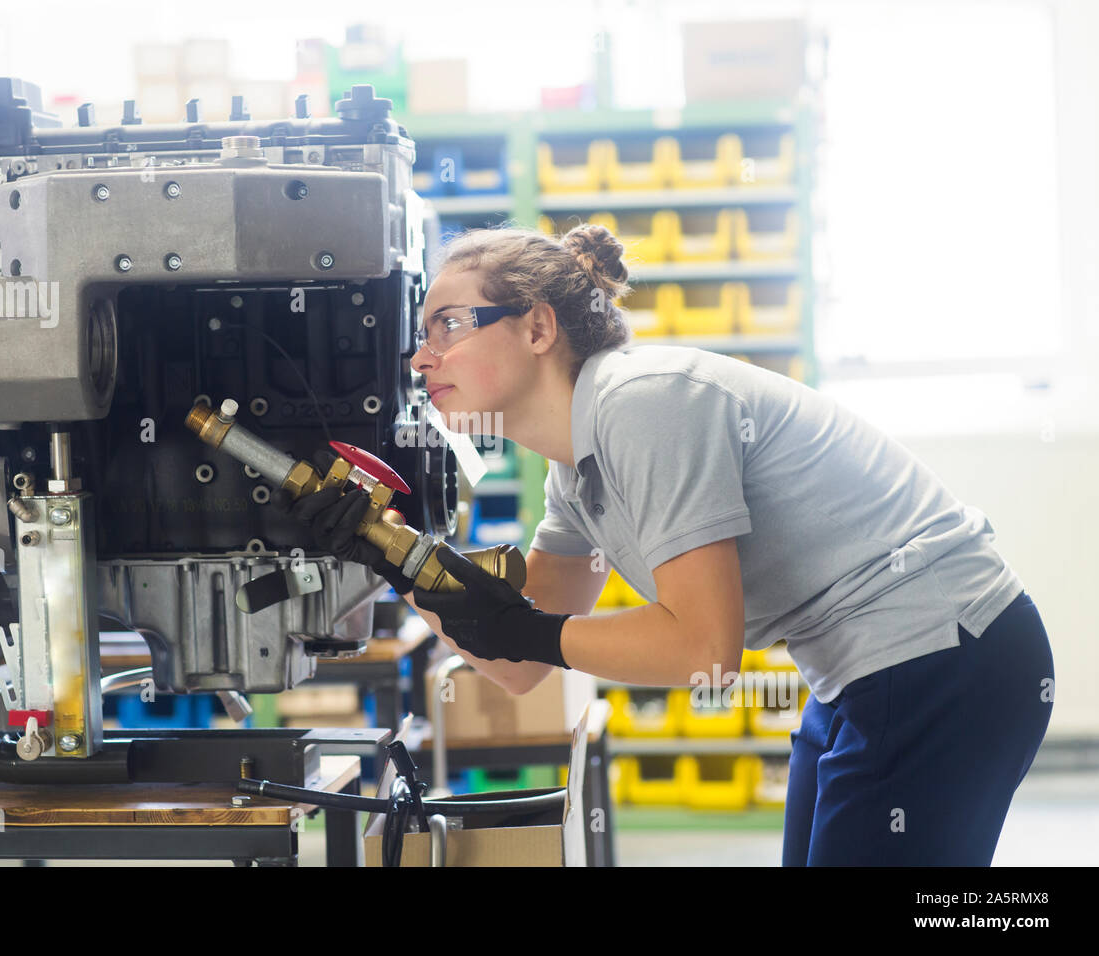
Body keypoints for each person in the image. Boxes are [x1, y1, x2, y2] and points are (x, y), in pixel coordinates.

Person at [273, 222, 1054, 866]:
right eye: (421, 335)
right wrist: (394, 557)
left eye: (448, 325)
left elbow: (701, 649)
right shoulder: (575, 470)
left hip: (944, 653)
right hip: (866, 672)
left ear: (539, 326)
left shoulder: (640, 403)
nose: (420, 357)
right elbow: (520, 664)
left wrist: (530, 628)